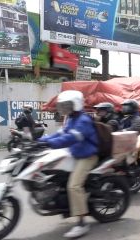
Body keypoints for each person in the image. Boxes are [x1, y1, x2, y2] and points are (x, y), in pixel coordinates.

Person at [38, 90, 98, 238]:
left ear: (76, 105)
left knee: (74, 186)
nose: (64, 108)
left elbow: (71, 138)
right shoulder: (71, 118)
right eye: (62, 105)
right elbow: (60, 133)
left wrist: (51, 143)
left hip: (87, 156)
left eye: (66, 105)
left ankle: (82, 223)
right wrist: (41, 140)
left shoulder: (83, 120)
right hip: (75, 154)